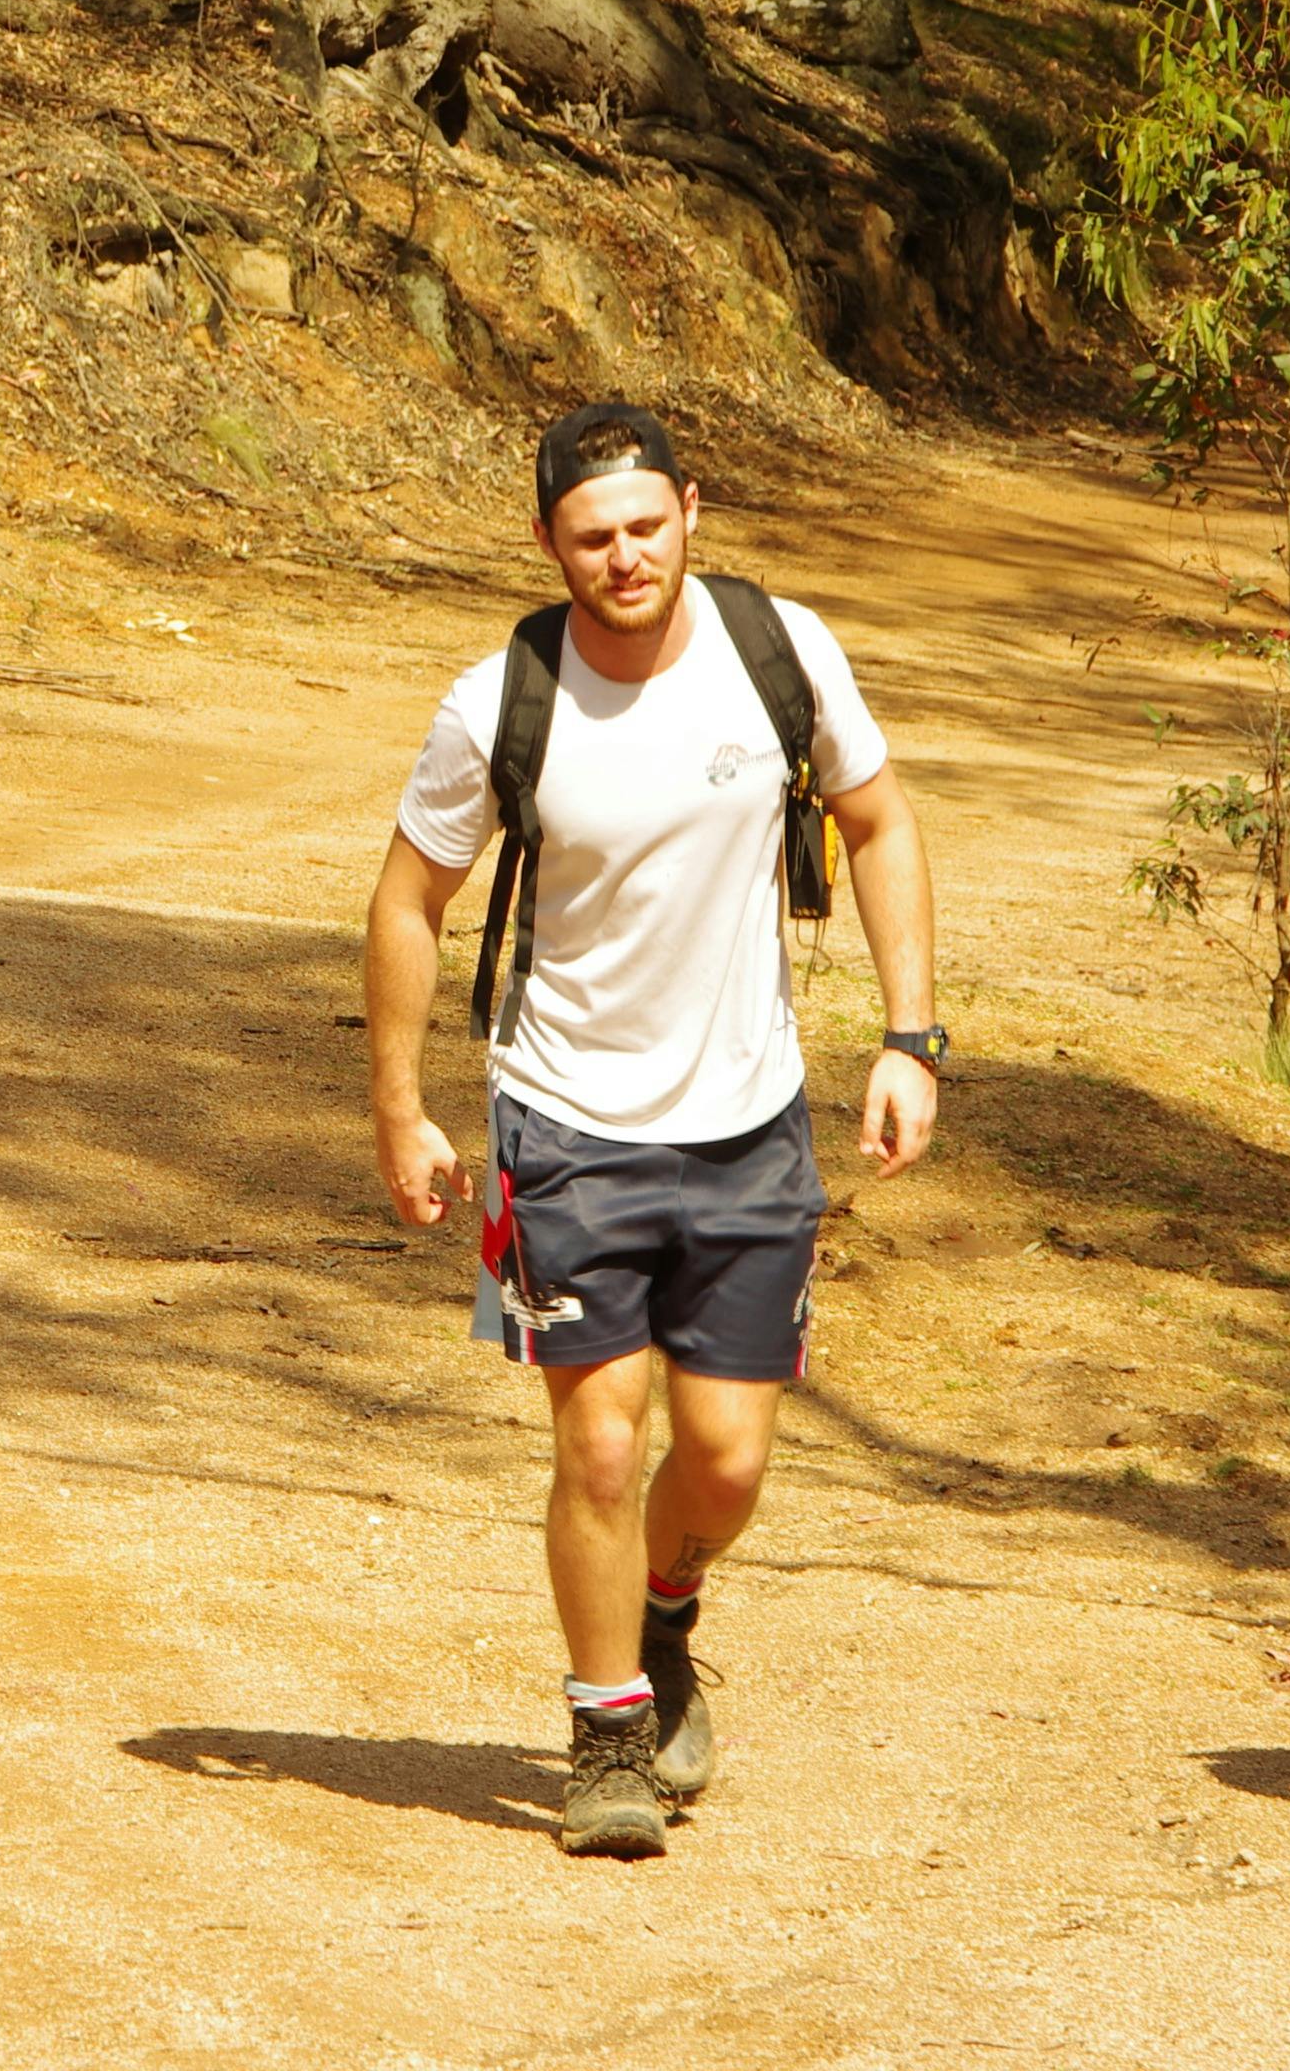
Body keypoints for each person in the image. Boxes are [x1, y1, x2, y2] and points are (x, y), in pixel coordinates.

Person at [363, 404, 940, 1859]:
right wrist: (401, 1108)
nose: (623, 558)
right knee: (605, 1448)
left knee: (729, 1460)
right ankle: (606, 1729)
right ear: (549, 545)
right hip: (566, 1123)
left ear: (692, 509)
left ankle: (663, 1613)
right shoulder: (502, 698)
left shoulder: (781, 653)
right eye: (589, 536)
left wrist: (909, 1036)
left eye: (644, 525)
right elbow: (407, 901)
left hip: (749, 1125)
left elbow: (878, 822)